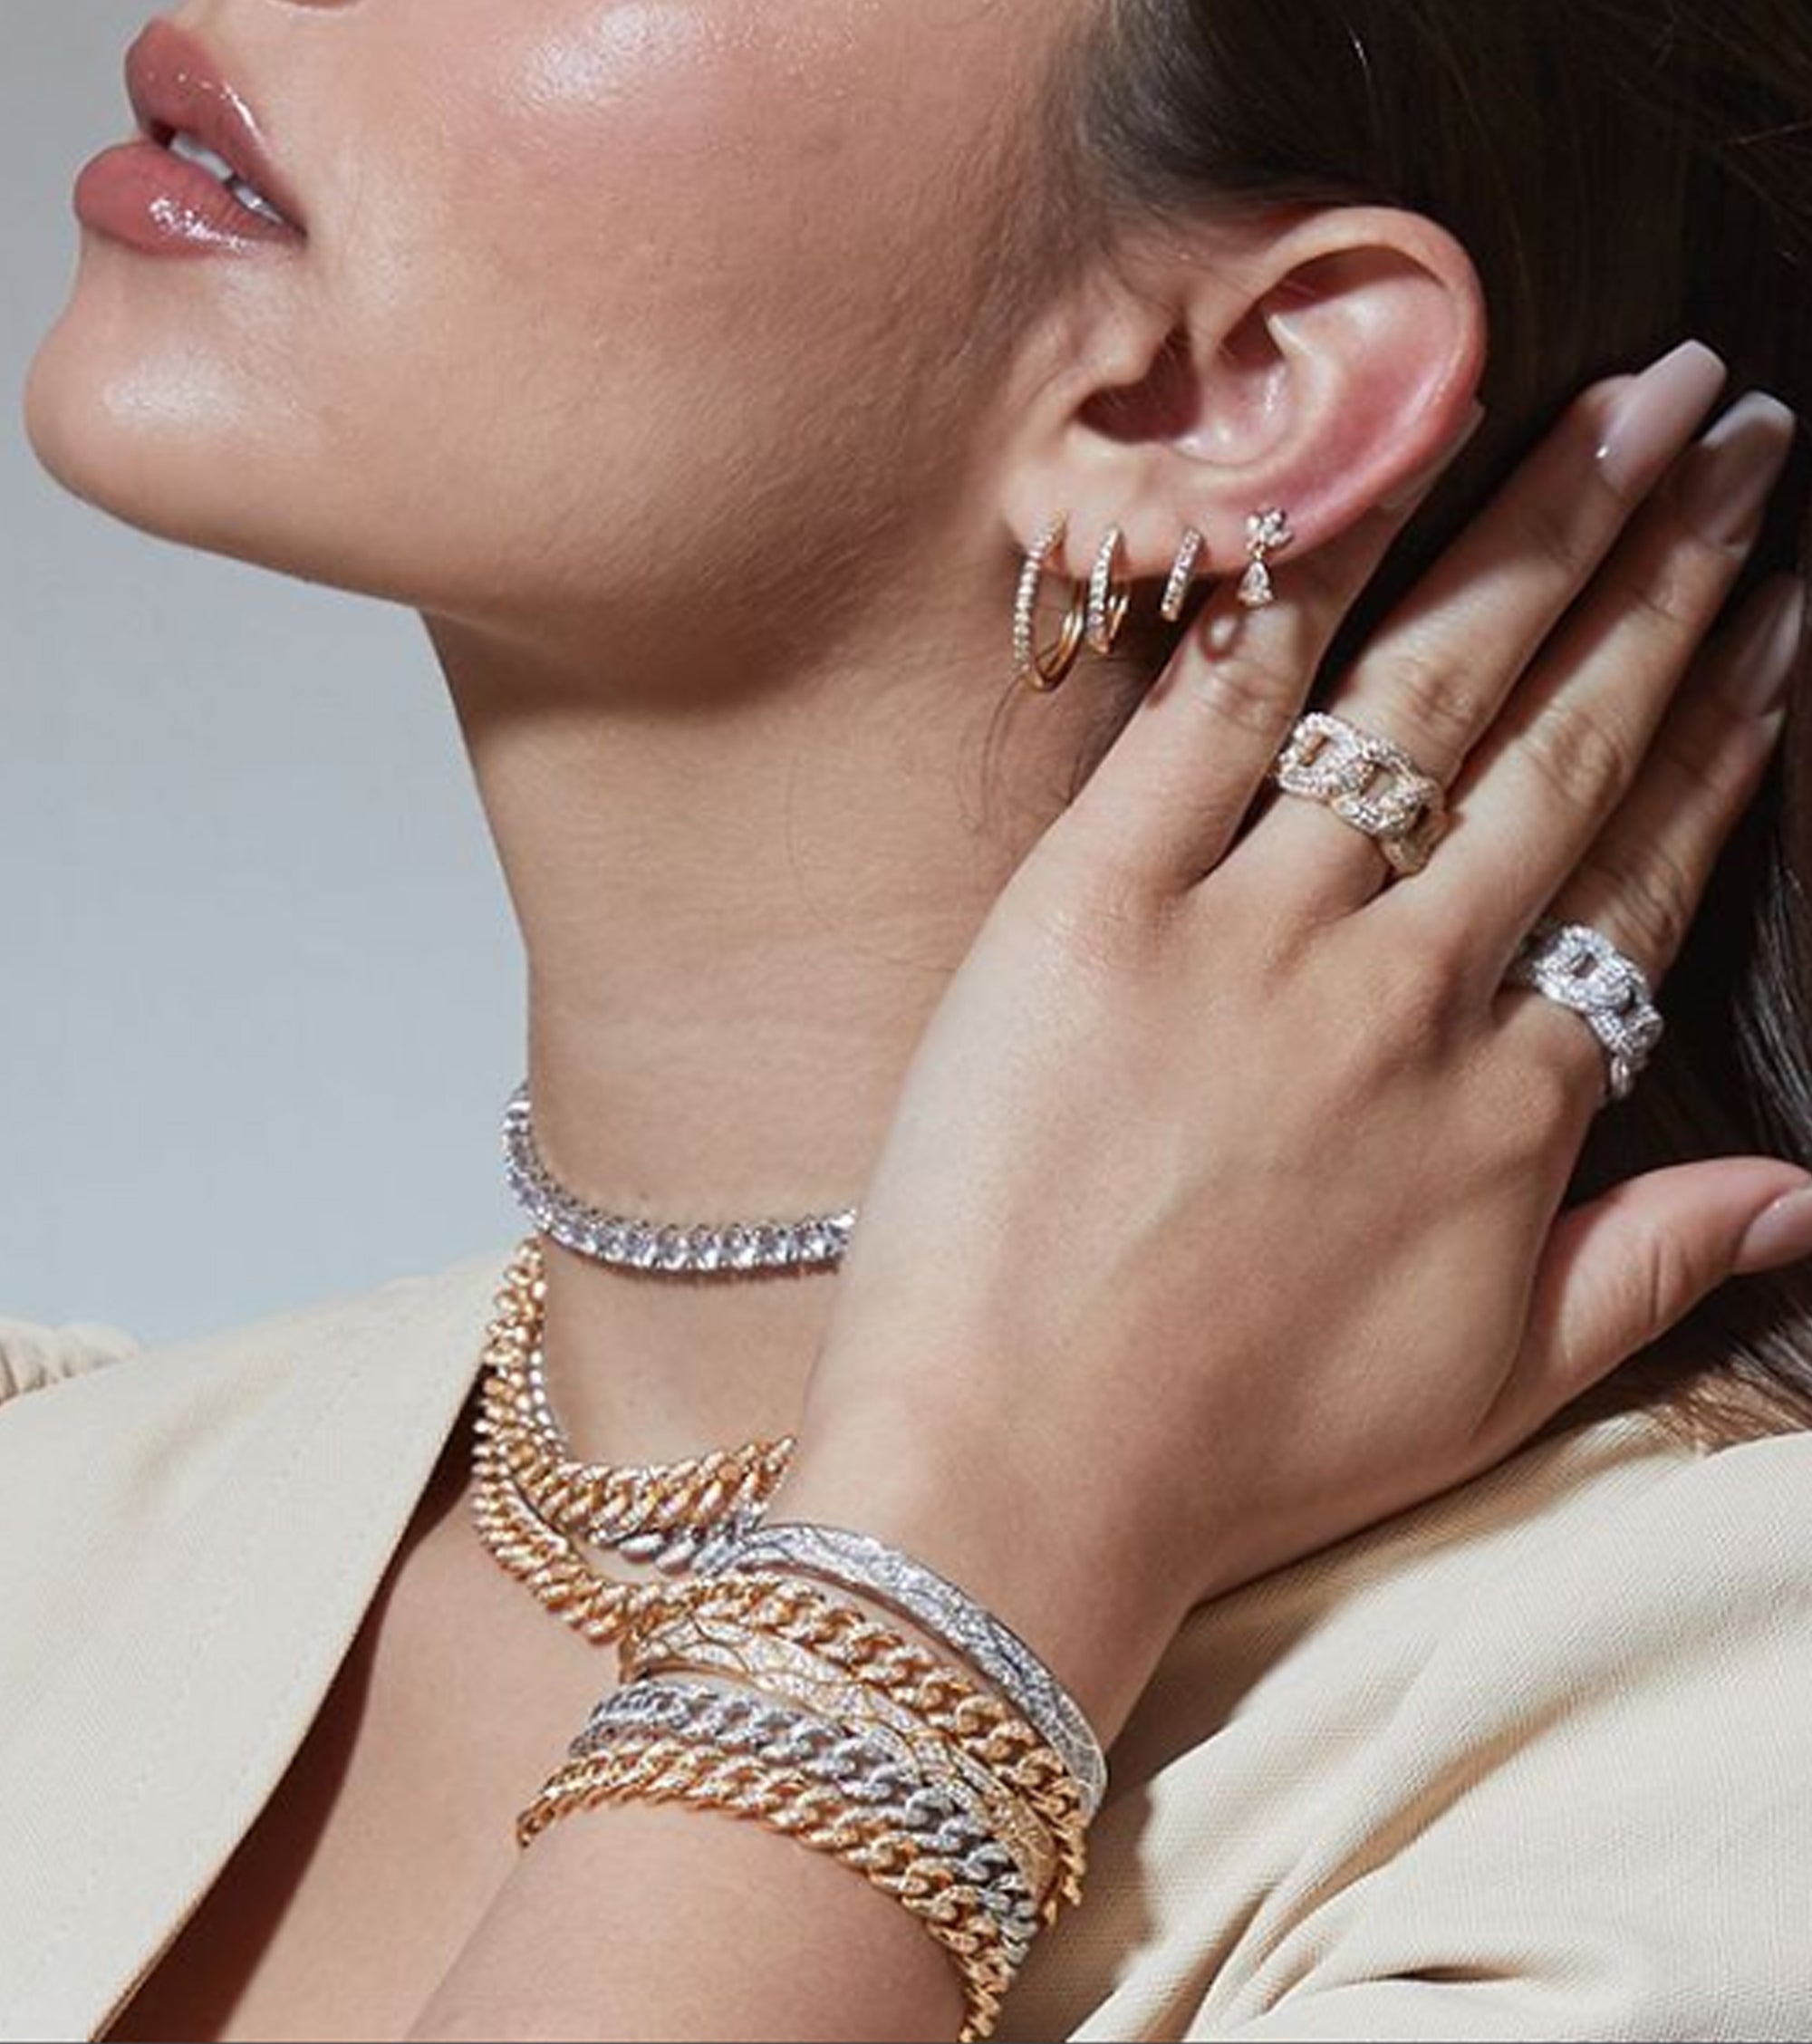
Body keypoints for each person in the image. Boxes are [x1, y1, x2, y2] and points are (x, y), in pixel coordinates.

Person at [6, 1, 1812, 2039]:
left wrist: (951, 1570)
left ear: (1222, 384)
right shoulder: (53, 1493)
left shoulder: (1690, 1771)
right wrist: (961, 1543)